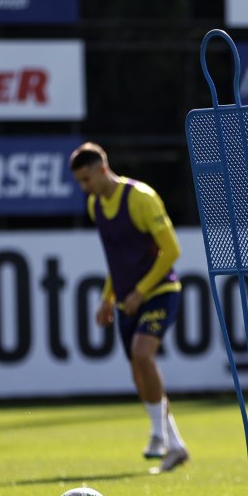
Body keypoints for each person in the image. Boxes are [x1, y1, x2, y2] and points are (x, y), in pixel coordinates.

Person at [69, 142, 189, 474]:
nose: (84, 188)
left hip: (161, 290)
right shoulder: (96, 206)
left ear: (102, 169)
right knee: (140, 373)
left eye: (86, 179)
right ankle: (176, 446)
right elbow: (117, 259)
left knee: (142, 352)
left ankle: (156, 437)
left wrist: (140, 290)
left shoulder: (141, 198)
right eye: (80, 182)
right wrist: (108, 297)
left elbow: (171, 251)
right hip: (127, 297)